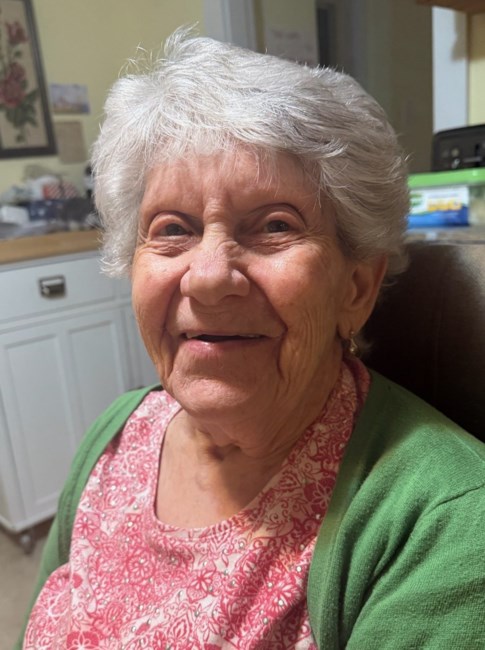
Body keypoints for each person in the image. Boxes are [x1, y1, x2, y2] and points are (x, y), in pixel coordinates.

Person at [19, 29, 485, 649]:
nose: (209, 277)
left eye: (274, 225)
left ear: (356, 287)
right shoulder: (114, 436)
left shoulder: (445, 523)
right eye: (172, 229)